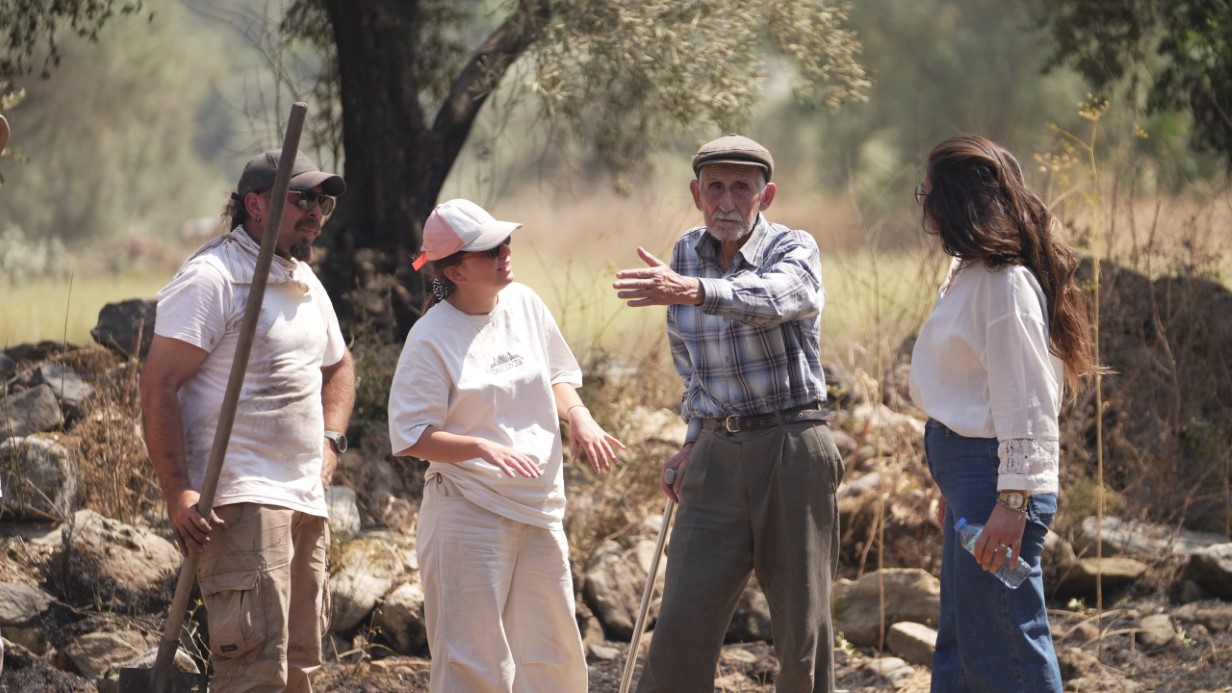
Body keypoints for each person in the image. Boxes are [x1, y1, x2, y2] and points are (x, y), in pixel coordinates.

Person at [613, 134, 845, 692]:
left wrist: (695, 291)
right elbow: (690, 367)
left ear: (766, 195)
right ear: (696, 193)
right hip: (716, 452)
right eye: (715, 186)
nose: (727, 200)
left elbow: (779, 299)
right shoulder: (684, 254)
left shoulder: (793, 247)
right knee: (680, 627)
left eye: (742, 187)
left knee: (800, 634)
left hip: (792, 447)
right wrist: (692, 442)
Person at [140, 149, 356, 692]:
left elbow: (340, 366)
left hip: (304, 498)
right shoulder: (212, 277)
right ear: (255, 204)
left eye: (322, 201)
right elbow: (158, 385)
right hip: (239, 499)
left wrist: (330, 446)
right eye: (302, 198)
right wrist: (178, 493)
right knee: (253, 674)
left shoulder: (303, 279)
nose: (315, 212)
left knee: (300, 670)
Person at [388, 198, 623, 692]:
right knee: (474, 664)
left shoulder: (525, 303)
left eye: (505, 242)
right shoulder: (430, 337)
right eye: (489, 249)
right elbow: (412, 437)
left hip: (538, 509)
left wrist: (578, 415)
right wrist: (479, 447)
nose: (504, 252)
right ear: (454, 270)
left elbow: (558, 372)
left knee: (554, 655)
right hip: (467, 512)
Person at [909, 134, 1099, 692]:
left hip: (997, 482)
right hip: (975, 478)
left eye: (927, 193)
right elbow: (976, 396)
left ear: (950, 201)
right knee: (963, 646)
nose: (924, 206)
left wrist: (1012, 500)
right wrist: (957, 486)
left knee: (1007, 650)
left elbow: (1027, 402)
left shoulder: (1004, 282)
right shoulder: (972, 275)